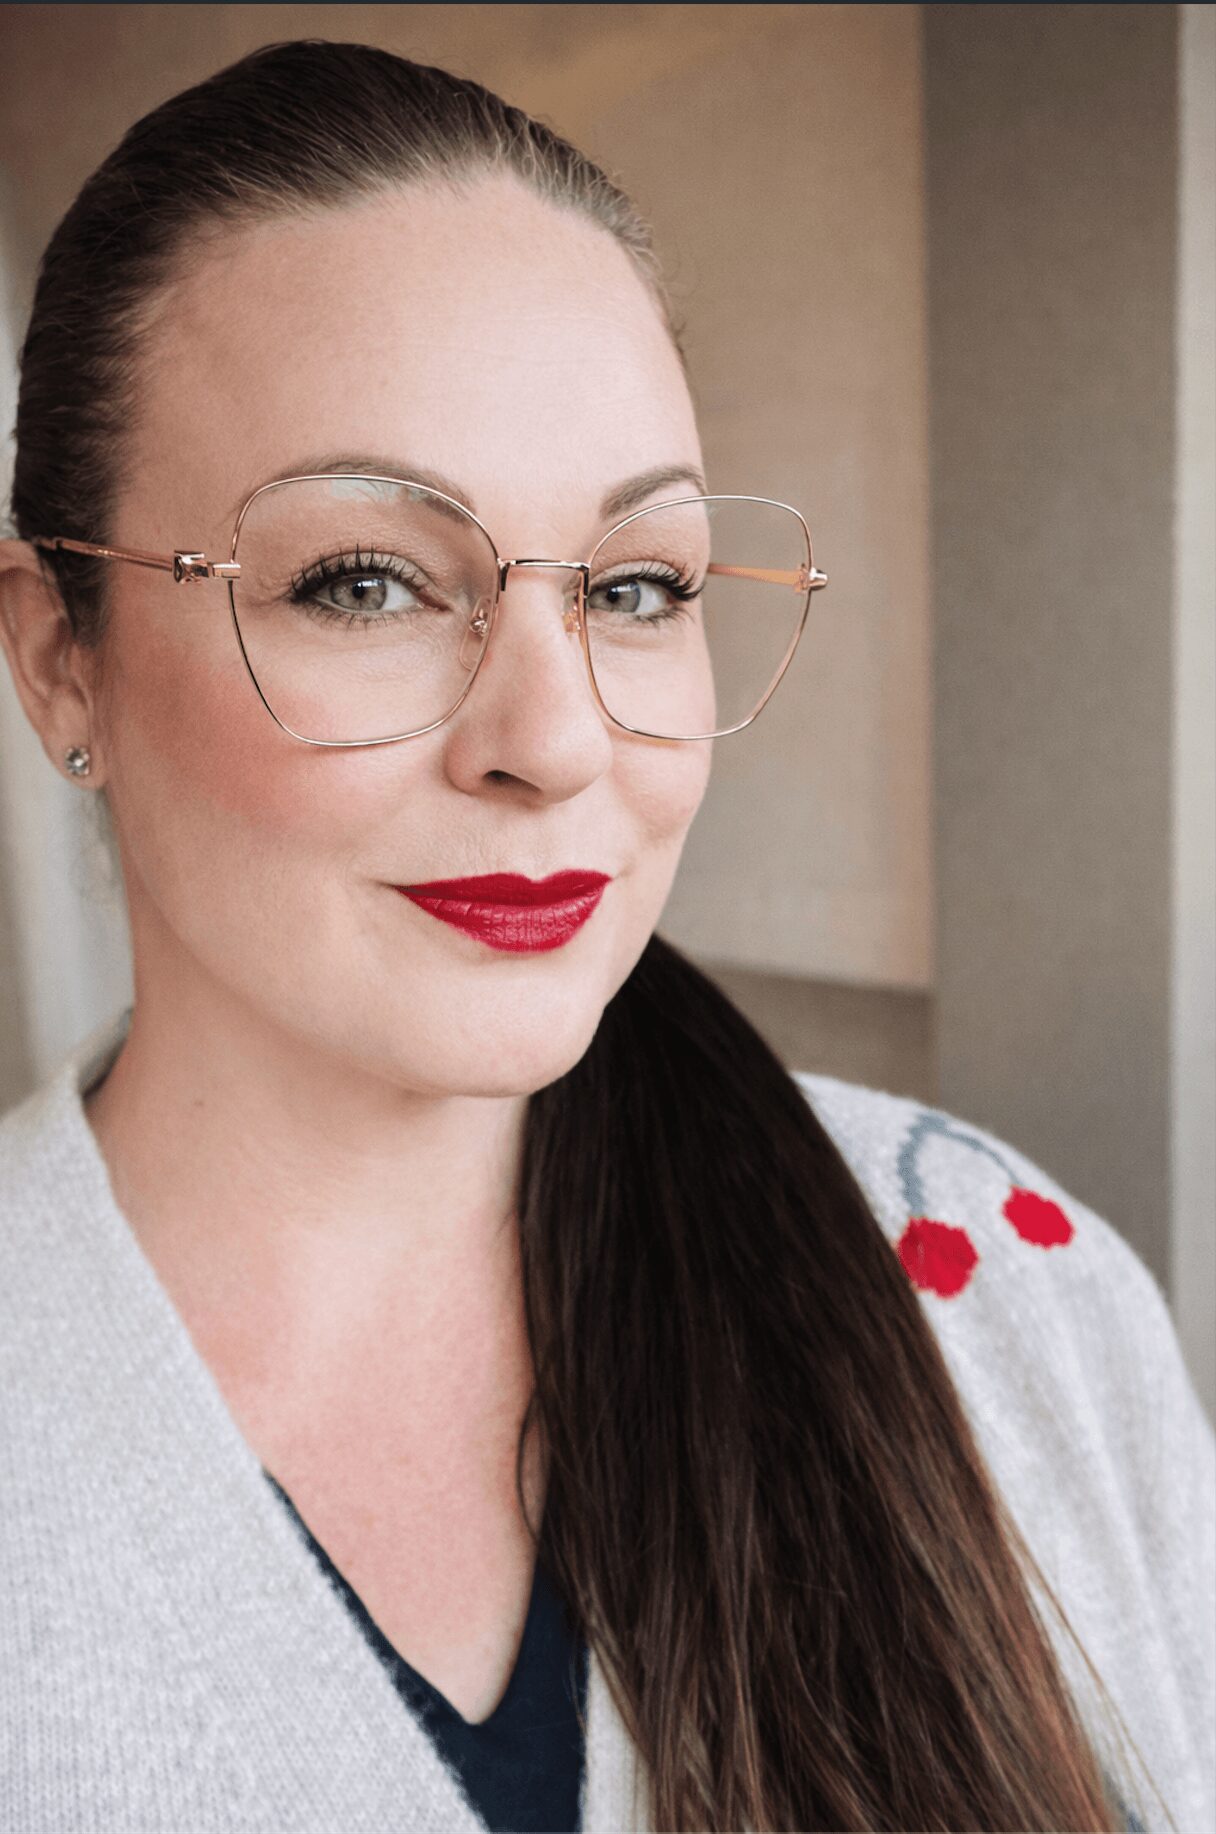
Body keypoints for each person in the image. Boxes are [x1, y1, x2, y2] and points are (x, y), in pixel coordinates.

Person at [0, 39, 1210, 1834]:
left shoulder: (1014, 1305)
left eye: (638, 587)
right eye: (366, 581)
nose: (559, 739)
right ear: (57, 656)